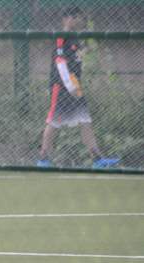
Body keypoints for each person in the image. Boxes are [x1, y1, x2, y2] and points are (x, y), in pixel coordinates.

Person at [37, 7, 119, 169]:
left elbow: (76, 56)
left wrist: (85, 51)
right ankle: (43, 160)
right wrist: (69, 85)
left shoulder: (76, 38)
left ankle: (98, 160)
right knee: (53, 122)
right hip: (61, 86)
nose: (81, 21)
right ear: (69, 18)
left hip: (75, 85)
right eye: (79, 18)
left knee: (85, 121)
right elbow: (60, 62)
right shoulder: (61, 36)